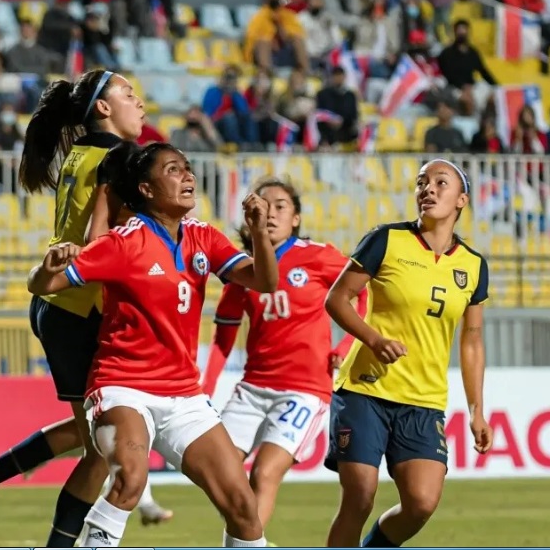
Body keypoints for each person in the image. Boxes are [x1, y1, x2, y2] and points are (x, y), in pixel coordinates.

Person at [0, 70, 171, 543]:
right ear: (104, 108)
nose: (140, 102)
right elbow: (107, 238)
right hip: (80, 307)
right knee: (99, 449)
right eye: (129, 94)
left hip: (60, 299)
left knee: (92, 437)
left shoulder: (80, 153)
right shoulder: (121, 157)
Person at [27, 141, 279, 548]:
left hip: (183, 396)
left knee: (243, 507)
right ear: (146, 189)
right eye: (174, 170)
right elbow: (43, 284)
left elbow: (265, 282)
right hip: (122, 385)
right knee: (129, 479)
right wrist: (46, 268)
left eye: (188, 168)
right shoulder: (123, 243)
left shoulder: (204, 237)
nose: (188, 177)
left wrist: (258, 234)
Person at [323, 159, 494, 548]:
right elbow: (337, 299)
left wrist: (477, 410)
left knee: (420, 503)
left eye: (440, 182)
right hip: (366, 390)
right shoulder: (386, 240)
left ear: (461, 199)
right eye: (422, 182)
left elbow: (472, 340)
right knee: (360, 495)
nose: (427, 189)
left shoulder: (474, 264)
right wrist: (373, 339)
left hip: (424, 400)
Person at [201, 178, 367, 530]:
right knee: (218, 471)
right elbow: (223, 336)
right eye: (264, 205)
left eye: (280, 206)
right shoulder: (242, 270)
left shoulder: (318, 255)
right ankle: (251, 540)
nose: (272, 213)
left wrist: (346, 346)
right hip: (253, 388)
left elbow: (366, 295)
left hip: (304, 389)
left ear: (296, 219)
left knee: (264, 472)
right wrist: (206, 388)